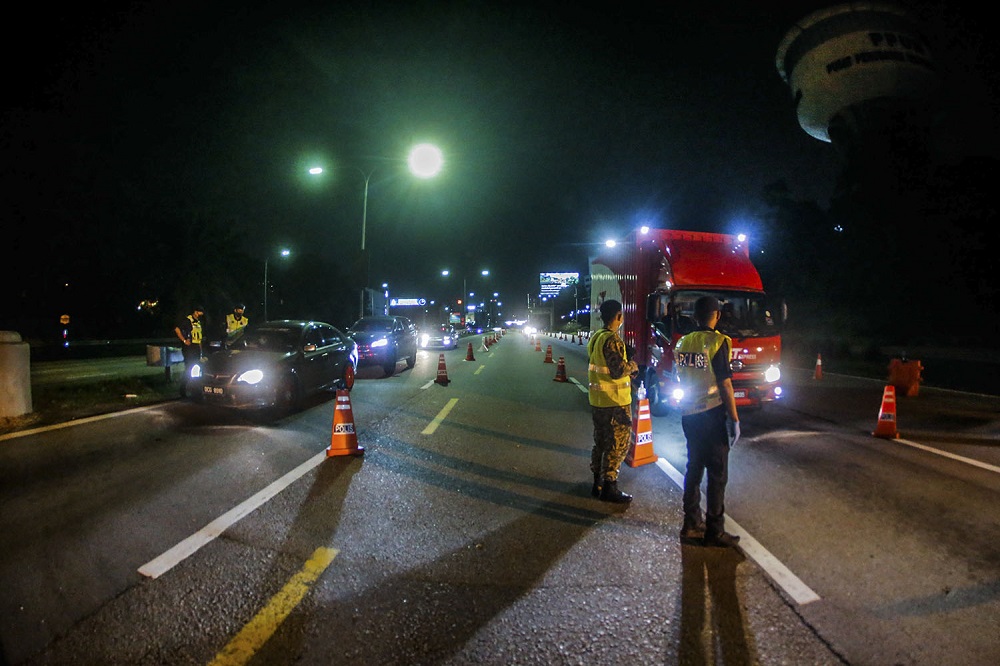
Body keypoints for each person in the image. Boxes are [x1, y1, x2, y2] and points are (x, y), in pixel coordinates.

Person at [674, 296, 741, 547]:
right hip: (712, 415)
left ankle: (690, 524)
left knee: (693, 468)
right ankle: (715, 530)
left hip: (689, 415)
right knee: (717, 474)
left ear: (694, 316)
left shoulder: (683, 342)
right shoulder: (718, 341)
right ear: (717, 315)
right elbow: (724, 383)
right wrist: (734, 419)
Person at [587, 299, 639, 504]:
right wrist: (632, 366)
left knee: (600, 442)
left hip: (598, 401)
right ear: (618, 316)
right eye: (621, 315)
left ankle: (597, 484)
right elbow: (618, 371)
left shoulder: (596, 337)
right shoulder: (612, 339)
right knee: (617, 445)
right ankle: (610, 487)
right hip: (615, 402)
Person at [174, 306, 205, 398]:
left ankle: (195, 390)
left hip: (196, 347)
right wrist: (184, 340)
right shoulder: (188, 320)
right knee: (189, 368)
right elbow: (177, 329)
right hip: (189, 348)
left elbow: (199, 337)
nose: (201, 314)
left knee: (197, 369)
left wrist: (201, 350)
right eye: (200, 312)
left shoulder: (198, 322)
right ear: (195, 312)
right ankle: (183, 390)